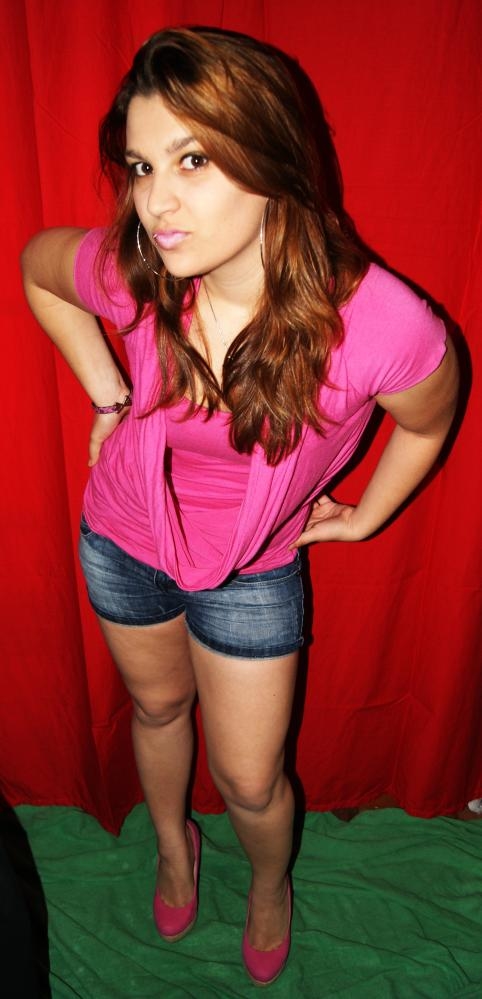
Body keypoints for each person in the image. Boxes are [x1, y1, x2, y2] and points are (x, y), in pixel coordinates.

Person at [21, 26, 459, 986]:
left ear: (271, 158)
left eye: (193, 159)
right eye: (142, 165)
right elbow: (36, 267)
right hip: (123, 537)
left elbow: (430, 417)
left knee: (253, 779)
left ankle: (268, 884)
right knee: (157, 706)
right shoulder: (139, 269)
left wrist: (367, 515)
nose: (155, 201)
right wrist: (107, 395)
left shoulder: (373, 321)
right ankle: (173, 847)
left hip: (253, 567)